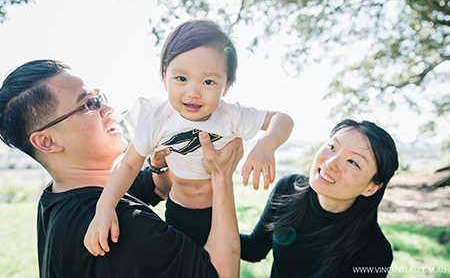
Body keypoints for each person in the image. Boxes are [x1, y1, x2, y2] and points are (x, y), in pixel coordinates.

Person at [0, 59, 243, 278]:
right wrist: (221, 176)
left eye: (99, 97)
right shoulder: (117, 229)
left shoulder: (60, 195)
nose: (108, 109)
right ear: (48, 141)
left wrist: (159, 166)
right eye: (89, 104)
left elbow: (154, 189)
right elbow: (220, 274)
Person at [85, 18, 294, 250]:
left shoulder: (231, 115)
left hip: (216, 211)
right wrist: (105, 207)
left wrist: (266, 144)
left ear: (225, 86)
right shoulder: (156, 120)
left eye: (208, 82)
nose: (193, 92)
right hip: (178, 209)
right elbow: (128, 165)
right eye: (182, 79)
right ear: (165, 78)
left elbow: (282, 119)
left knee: (217, 268)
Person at [240, 119, 399, 278]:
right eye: (332, 147)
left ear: (371, 187)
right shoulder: (288, 188)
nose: (331, 163)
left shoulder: (375, 253)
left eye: (352, 162)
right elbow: (255, 249)